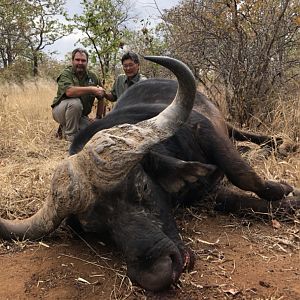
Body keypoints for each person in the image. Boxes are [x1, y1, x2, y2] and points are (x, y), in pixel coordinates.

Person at [51, 48, 105, 142]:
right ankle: (71, 137)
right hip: (60, 112)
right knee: (75, 103)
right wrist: (91, 89)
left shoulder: (93, 76)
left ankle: (64, 129)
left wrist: (98, 118)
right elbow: (69, 92)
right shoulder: (66, 74)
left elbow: (101, 95)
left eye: (83, 60)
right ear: (72, 61)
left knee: (92, 130)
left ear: (87, 62)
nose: (80, 63)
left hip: (80, 115)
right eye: (77, 60)